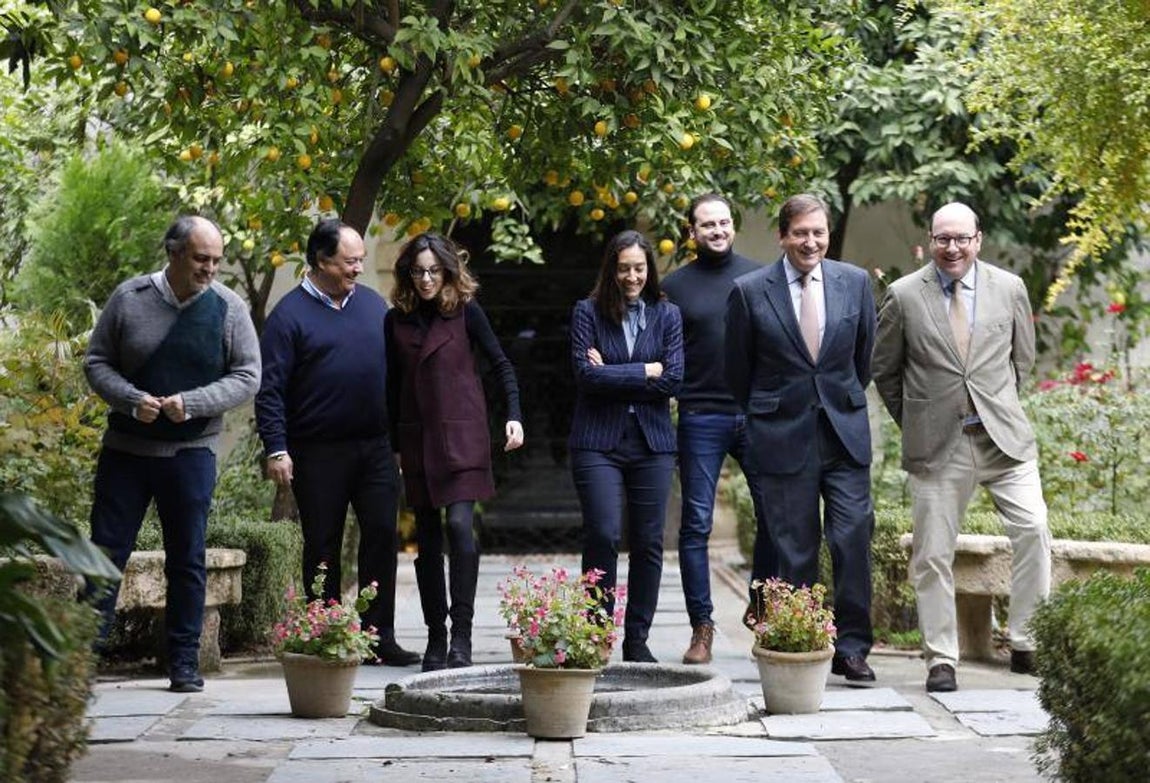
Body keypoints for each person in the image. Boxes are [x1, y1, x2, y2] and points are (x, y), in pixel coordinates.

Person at [872, 202, 1051, 693]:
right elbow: (885, 371)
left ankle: (1026, 641)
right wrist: (918, 421)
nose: (952, 248)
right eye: (942, 239)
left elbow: (1022, 361)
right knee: (931, 554)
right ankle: (941, 659)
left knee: (1034, 528)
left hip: (1002, 439)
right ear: (931, 240)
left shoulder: (1009, 288)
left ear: (979, 239)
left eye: (961, 239)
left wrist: (996, 407)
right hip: (938, 446)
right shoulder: (904, 295)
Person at [84, 215, 261, 692]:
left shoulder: (229, 308)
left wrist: (194, 403)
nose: (210, 269)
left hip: (191, 454)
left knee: (188, 558)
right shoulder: (130, 298)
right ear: (174, 252)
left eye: (217, 261)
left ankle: (184, 663)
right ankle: (82, 658)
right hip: (126, 451)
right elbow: (96, 361)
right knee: (105, 554)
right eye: (202, 259)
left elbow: (248, 375)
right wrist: (129, 398)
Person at [725, 194, 878, 685]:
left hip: (843, 433)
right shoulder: (749, 291)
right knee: (795, 549)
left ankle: (852, 649)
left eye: (818, 232)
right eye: (800, 233)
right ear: (782, 236)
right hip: (781, 434)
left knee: (852, 538)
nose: (810, 242)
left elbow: (863, 359)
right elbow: (737, 371)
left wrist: (836, 398)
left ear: (827, 234)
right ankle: (800, 640)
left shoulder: (853, 283)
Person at [255, 218, 420, 667]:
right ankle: (325, 636)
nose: (358, 269)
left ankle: (378, 636)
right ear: (322, 261)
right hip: (317, 451)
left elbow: (399, 378)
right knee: (322, 544)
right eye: (350, 261)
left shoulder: (372, 306)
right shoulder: (288, 317)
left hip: (375, 448)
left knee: (382, 538)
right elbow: (270, 389)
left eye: (362, 261)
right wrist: (277, 446)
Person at [386, 233, 524, 671]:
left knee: (461, 528)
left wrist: (513, 414)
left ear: (447, 271)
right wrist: (392, 445)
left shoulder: (465, 312)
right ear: (408, 274)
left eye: (434, 271)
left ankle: (461, 635)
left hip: (463, 436)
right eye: (418, 271)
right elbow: (391, 387)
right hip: (418, 439)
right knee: (426, 540)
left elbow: (501, 363)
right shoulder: (396, 321)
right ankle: (435, 638)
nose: (426, 280)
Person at [662, 193, 776, 665]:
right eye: (707, 224)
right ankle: (701, 627)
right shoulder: (674, 287)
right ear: (691, 231)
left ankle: (763, 606)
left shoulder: (759, 277)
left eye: (724, 222)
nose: (717, 230)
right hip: (699, 415)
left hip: (754, 415)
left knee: (774, 516)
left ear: (733, 225)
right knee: (695, 525)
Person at [568, 230, 683, 663]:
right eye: (623, 268)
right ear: (610, 271)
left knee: (650, 541)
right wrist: (645, 371)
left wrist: (617, 371)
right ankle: (595, 637)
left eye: (639, 267)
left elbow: (674, 380)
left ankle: (637, 638)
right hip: (597, 441)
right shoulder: (587, 312)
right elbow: (585, 377)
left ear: (649, 269)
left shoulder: (668, 314)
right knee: (602, 532)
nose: (632, 276)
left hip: (652, 443)